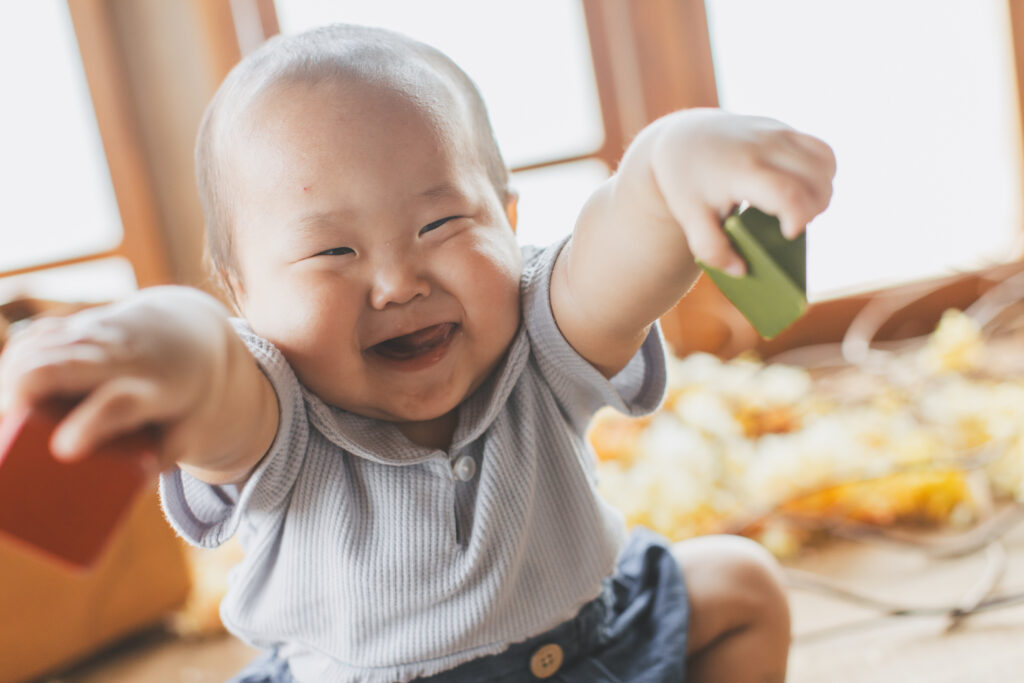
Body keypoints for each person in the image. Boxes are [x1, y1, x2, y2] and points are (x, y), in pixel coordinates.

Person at [0, 24, 834, 683]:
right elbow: (212, 371)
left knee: (739, 585)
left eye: (441, 225)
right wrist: (157, 347)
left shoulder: (536, 338)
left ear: (508, 224)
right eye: (332, 253)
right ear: (243, 293)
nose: (398, 281)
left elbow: (616, 256)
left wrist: (666, 167)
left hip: (587, 652)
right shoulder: (276, 411)